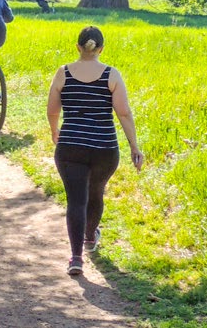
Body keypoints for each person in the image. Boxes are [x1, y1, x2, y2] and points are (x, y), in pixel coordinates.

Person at [47, 26, 143, 276]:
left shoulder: (63, 73)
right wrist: (134, 145)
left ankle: (76, 258)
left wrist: (54, 130)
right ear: (101, 49)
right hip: (104, 147)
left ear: (78, 47)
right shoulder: (112, 74)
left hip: (71, 145)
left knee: (76, 200)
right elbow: (123, 112)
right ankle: (90, 236)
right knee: (96, 192)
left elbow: (52, 109)